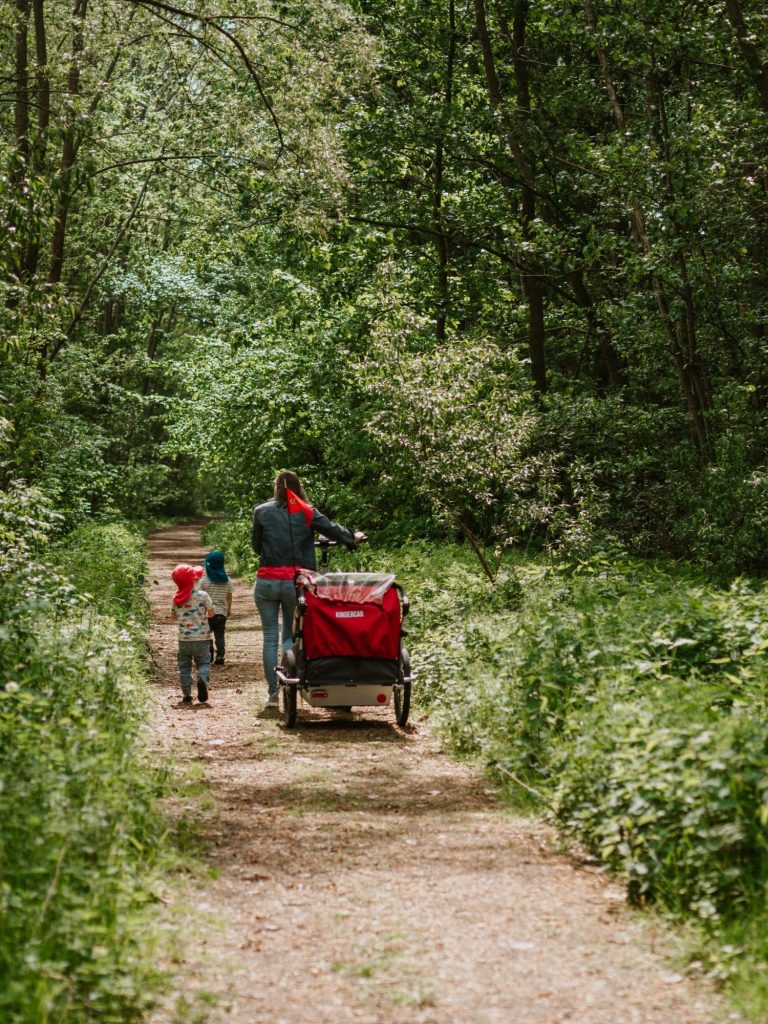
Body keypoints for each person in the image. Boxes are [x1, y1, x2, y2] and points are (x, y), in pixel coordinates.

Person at [251, 470, 366, 707]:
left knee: (269, 637)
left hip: (266, 583)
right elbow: (332, 529)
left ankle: (272, 693)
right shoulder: (305, 511)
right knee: (289, 636)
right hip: (295, 582)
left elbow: (256, 547)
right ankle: (290, 684)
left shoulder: (261, 511)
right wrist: (352, 538)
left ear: (275, 487)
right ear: (297, 487)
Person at [170, 563, 214, 705]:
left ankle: (187, 695)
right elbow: (211, 613)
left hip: (183, 640)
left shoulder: (176, 598)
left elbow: (173, 617)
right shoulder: (203, 595)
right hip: (202, 639)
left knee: (184, 667)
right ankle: (202, 678)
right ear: (192, 579)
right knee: (203, 662)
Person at [201, 549, 234, 666]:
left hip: (207, 614)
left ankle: (208, 654)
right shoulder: (228, 581)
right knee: (220, 635)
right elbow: (229, 597)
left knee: (206, 635)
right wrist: (228, 609)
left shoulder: (204, 581)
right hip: (221, 614)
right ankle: (220, 655)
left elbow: (201, 597)